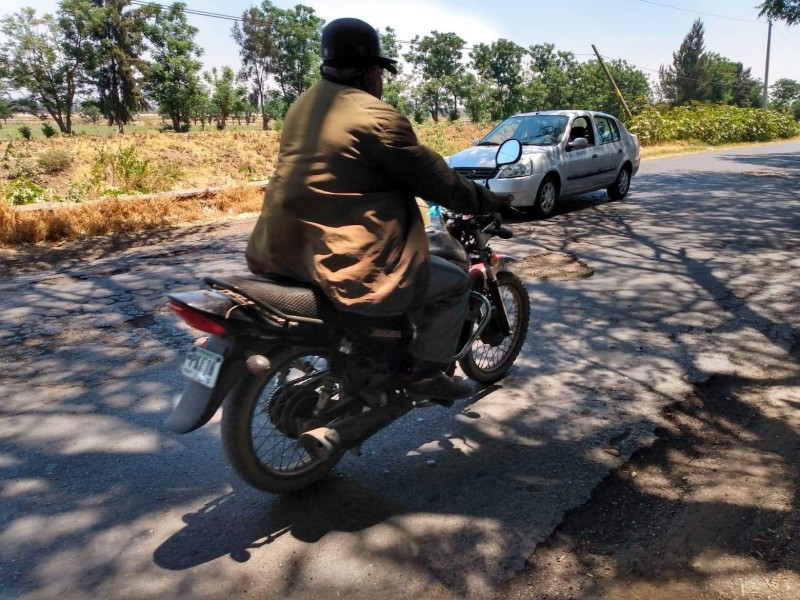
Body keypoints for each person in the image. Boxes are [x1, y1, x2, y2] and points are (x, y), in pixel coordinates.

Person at [245, 17, 511, 400]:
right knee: (452, 285)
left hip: (282, 247)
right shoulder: (375, 118)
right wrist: (488, 199)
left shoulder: (305, 103)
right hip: (344, 258)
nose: (382, 82)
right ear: (370, 73)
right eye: (382, 73)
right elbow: (437, 181)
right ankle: (426, 374)